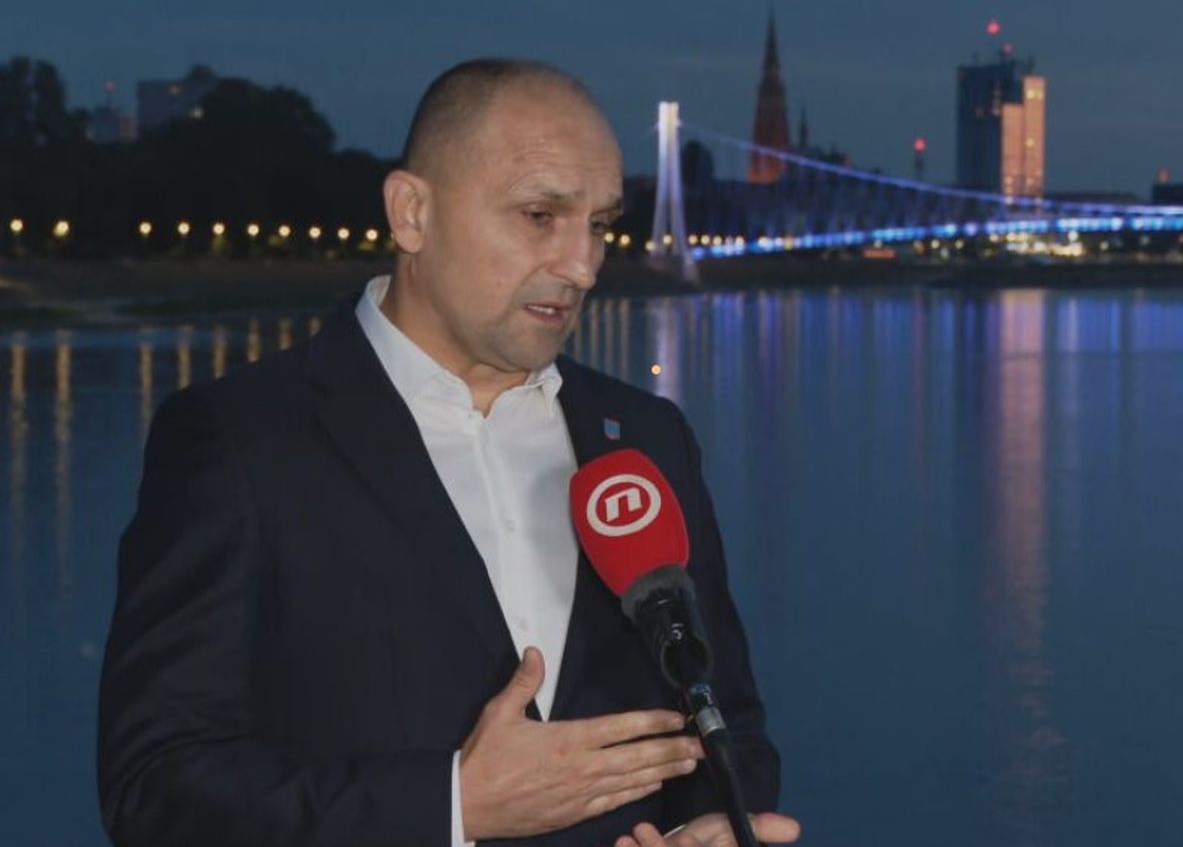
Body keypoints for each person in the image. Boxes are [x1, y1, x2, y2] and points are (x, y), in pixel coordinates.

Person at [97, 59, 800, 847]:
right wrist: (454, 806)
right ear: (412, 214)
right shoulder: (240, 440)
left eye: (600, 225)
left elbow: (727, 722)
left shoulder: (647, 437)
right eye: (540, 215)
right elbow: (155, 791)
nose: (583, 266)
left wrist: (711, 822)